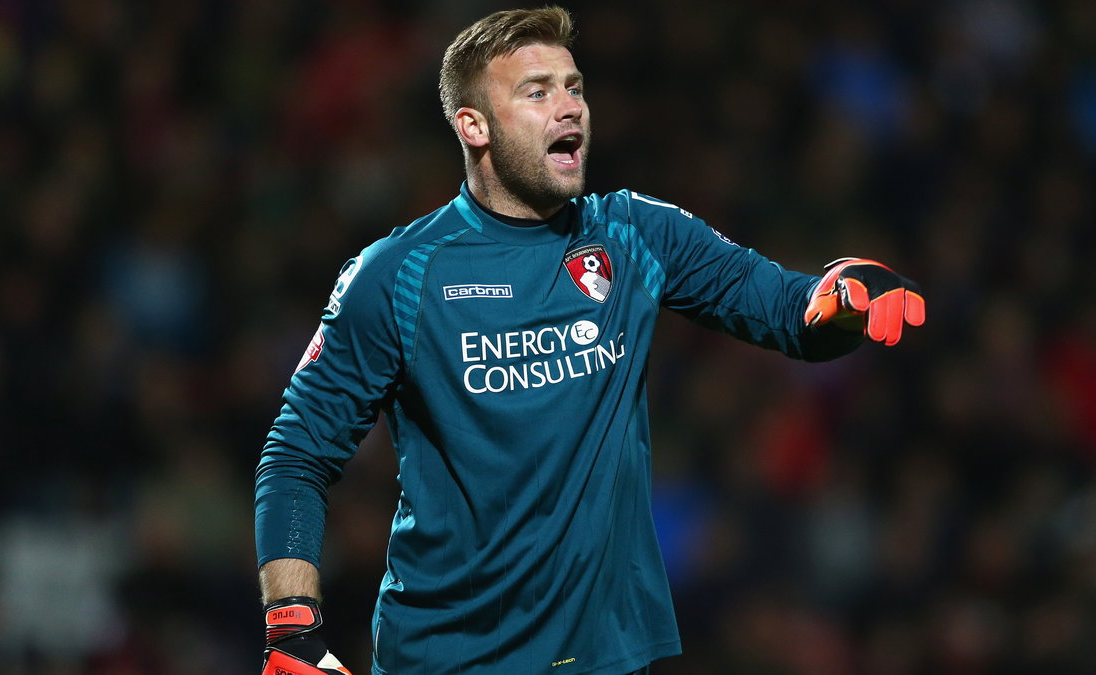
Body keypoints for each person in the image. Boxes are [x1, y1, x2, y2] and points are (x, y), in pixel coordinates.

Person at [254, 7, 925, 675]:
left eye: (574, 86)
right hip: (449, 658)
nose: (569, 107)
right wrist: (293, 627)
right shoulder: (397, 276)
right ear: (474, 125)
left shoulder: (634, 235)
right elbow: (295, 453)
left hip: (606, 657)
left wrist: (839, 298)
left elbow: (789, 312)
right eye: (537, 91)